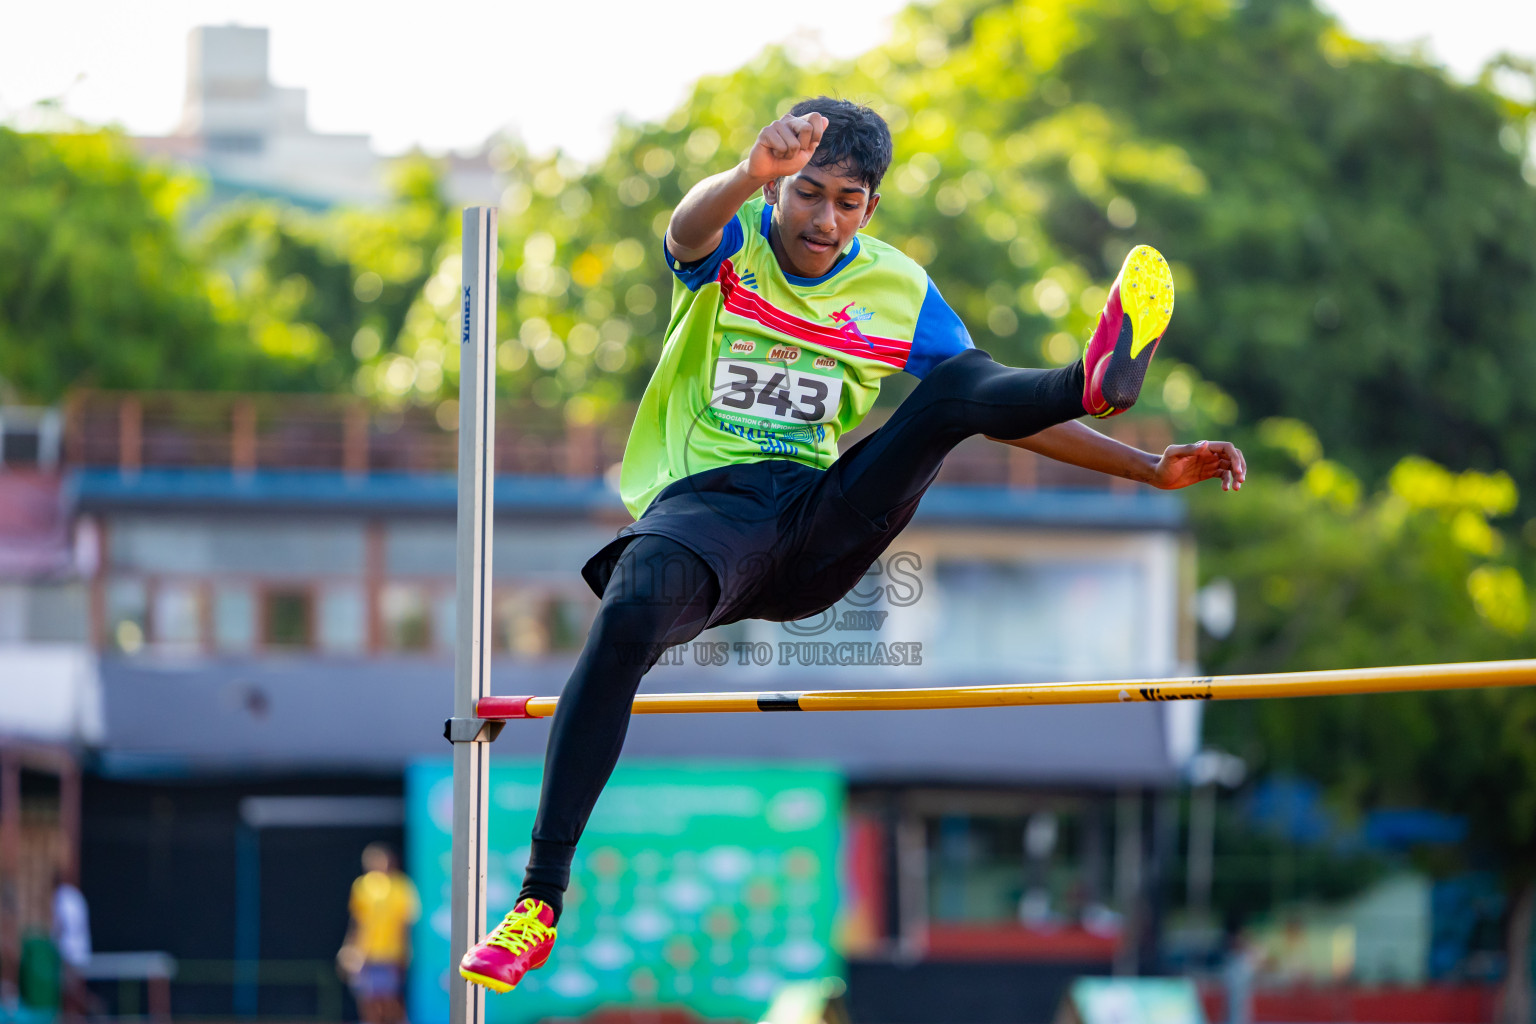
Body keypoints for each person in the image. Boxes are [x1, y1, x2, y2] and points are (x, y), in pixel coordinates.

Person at [459, 97, 1246, 994]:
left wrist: (1145, 469)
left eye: (847, 202)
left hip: (820, 520)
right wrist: (749, 173)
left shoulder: (897, 289)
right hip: (706, 514)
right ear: (780, 188)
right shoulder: (734, 244)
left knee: (954, 392)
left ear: (871, 208)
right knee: (631, 613)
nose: (822, 220)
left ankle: (1092, 384)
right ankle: (537, 901)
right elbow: (684, 229)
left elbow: (988, 406)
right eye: (807, 195)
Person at [339, 843, 419, 1024]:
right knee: (367, 999)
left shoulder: (401, 886)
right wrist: (350, 948)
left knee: (390, 999)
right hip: (366, 954)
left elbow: (405, 924)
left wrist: (406, 953)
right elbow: (356, 922)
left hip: (391, 954)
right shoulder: (361, 886)